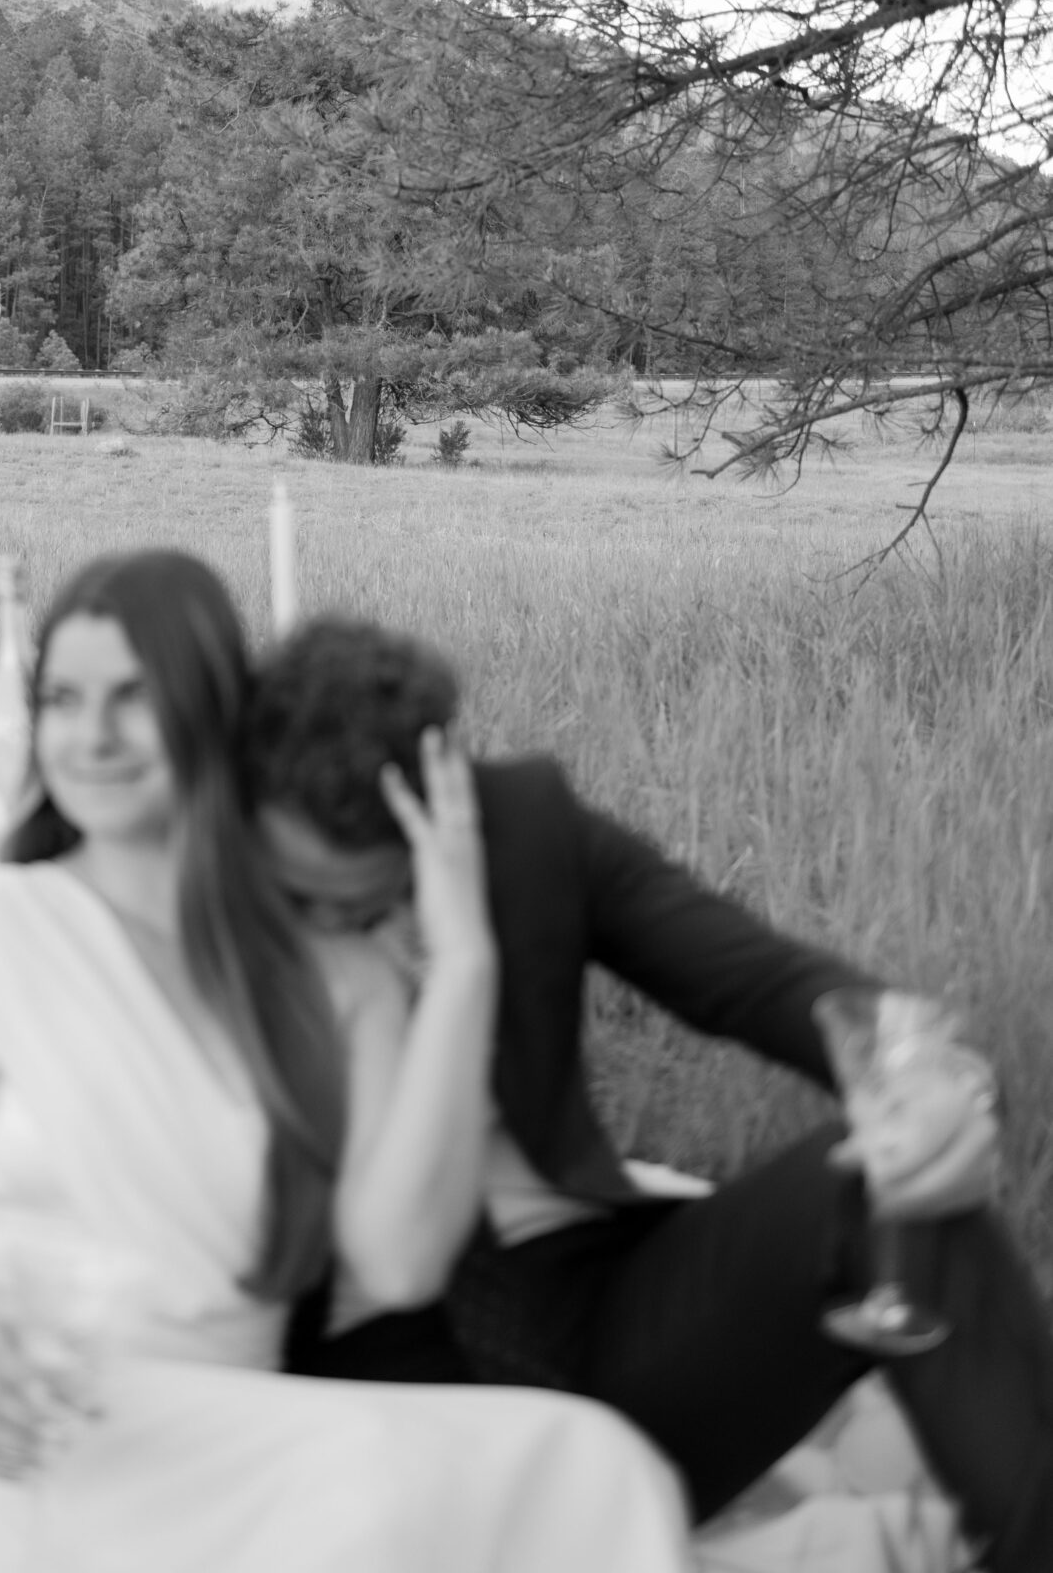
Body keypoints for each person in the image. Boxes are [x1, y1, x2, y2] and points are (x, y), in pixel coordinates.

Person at [0, 551, 692, 1573]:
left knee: (590, 1463)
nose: (92, 736)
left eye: (134, 698)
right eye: (64, 699)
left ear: (211, 710)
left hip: (221, 1430)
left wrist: (464, 963)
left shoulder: (332, 972)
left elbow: (397, 1258)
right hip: (2, 1422)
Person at [251, 617, 1053, 1573]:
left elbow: (760, 981)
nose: (333, 925)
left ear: (444, 805)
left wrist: (938, 1081)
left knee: (886, 1195)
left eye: (372, 900)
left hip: (597, 1329)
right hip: (386, 1395)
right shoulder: (208, 893)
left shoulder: (523, 829)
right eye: (303, 895)